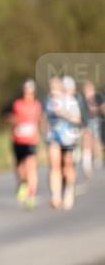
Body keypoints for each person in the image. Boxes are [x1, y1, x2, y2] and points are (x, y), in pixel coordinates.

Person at [44, 75, 83, 210]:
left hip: (68, 138)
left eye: (54, 88)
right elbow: (44, 118)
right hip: (53, 138)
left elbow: (77, 119)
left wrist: (63, 113)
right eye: (50, 88)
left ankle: (69, 190)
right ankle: (55, 195)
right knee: (54, 165)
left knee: (67, 166)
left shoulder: (70, 101)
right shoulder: (48, 101)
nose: (52, 91)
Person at [3, 78, 42, 210]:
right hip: (18, 139)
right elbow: (5, 114)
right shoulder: (16, 103)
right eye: (26, 91)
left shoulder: (37, 104)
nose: (28, 94)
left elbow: (41, 119)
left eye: (30, 91)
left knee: (31, 166)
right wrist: (14, 120)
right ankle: (23, 183)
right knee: (20, 168)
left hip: (31, 140)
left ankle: (31, 195)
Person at [78, 80, 104, 176]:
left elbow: (102, 108)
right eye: (87, 90)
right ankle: (87, 165)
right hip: (86, 123)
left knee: (96, 142)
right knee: (87, 142)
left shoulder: (98, 98)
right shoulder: (81, 100)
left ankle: (97, 158)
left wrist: (98, 109)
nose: (89, 92)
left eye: (90, 89)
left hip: (96, 122)